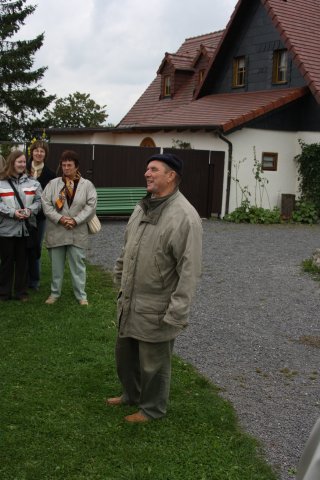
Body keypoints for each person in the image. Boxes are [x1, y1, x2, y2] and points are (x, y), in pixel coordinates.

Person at [106, 153, 203, 423]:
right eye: (147, 169)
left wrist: (177, 311)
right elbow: (129, 245)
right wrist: (119, 272)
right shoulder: (143, 207)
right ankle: (131, 395)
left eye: (153, 170)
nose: (147, 174)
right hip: (130, 299)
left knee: (153, 363)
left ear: (171, 176)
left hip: (157, 304)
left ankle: (152, 409)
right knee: (125, 355)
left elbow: (190, 270)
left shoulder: (185, 216)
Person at [41, 150, 97, 305]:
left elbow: (91, 206)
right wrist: (60, 219)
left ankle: (81, 296)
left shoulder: (87, 185)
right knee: (56, 267)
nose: (66, 168)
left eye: (69, 165)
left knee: (78, 266)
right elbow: (45, 204)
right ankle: (54, 293)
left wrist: (75, 220)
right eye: (63, 165)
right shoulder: (53, 184)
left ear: (76, 166)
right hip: (57, 230)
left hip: (77, 231)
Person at [0, 150, 42, 302]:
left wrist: (30, 210)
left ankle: (21, 292)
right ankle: (4, 293)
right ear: (12, 163)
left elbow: (39, 201)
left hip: (25, 229)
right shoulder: (1, 182)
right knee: (6, 263)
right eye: (19, 162)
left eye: (24, 162)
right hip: (6, 230)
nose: (22, 164)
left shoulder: (33, 183)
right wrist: (12, 213)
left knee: (23, 262)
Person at [27, 140, 56, 290]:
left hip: (40, 217)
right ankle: (21, 279)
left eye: (42, 151)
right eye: (36, 150)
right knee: (21, 247)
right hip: (21, 216)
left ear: (45, 154)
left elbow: (51, 197)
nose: (38, 153)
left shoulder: (50, 174)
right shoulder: (22, 168)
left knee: (36, 247)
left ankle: (34, 281)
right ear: (31, 152)